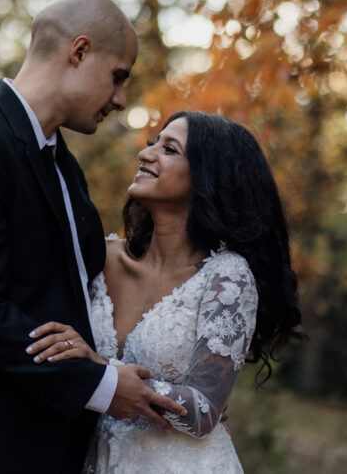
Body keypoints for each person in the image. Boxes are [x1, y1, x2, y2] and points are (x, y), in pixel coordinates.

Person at [0, 0, 186, 474]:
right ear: (79, 51)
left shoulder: (62, 164)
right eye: (118, 77)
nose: (121, 99)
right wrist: (102, 386)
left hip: (50, 447)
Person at [26, 111, 302, 473]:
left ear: (207, 177)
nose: (146, 153)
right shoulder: (101, 258)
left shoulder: (227, 278)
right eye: (152, 143)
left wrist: (100, 370)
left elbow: (205, 411)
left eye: (169, 149)